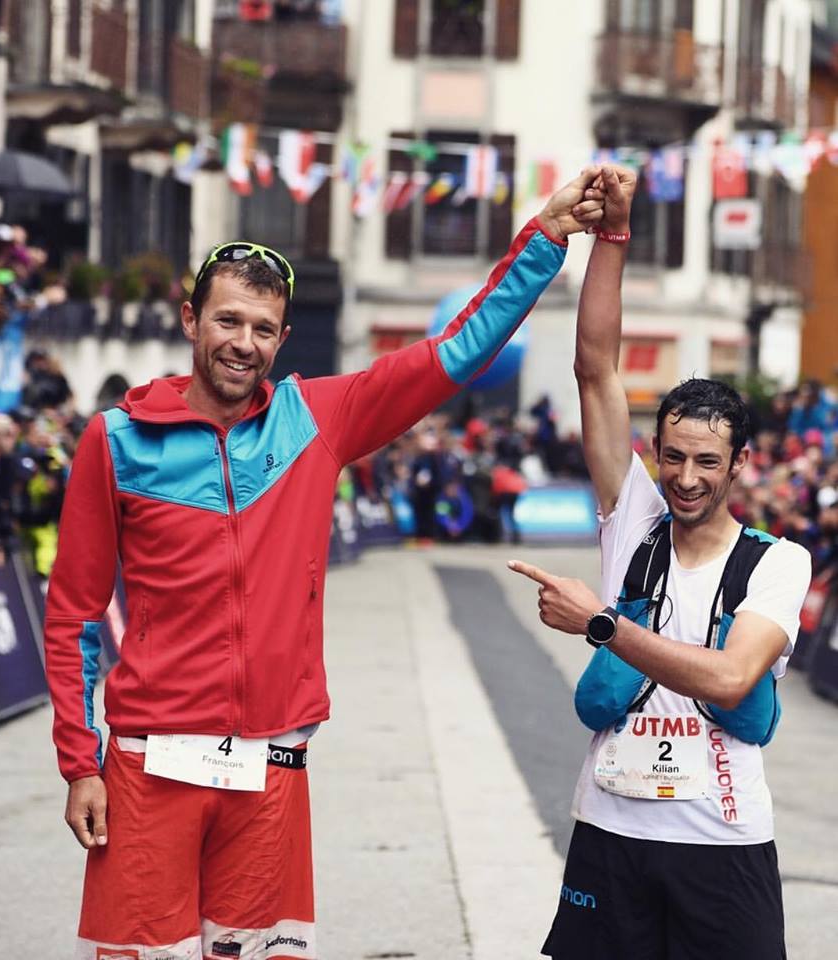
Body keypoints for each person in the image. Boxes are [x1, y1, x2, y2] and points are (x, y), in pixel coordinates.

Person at [44, 173, 605, 960]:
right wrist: (81, 764)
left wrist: (545, 235)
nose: (243, 343)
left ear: (281, 340)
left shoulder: (316, 419)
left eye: (262, 328)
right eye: (227, 320)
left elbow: (456, 352)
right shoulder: (116, 439)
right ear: (190, 319)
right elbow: (73, 612)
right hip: (147, 767)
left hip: (271, 767)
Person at [509, 165, 811, 960]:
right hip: (611, 830)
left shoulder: (777, 563)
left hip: (722, 842)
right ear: (654, 452)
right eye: (672, 456)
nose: (685, 478)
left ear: (738, 464)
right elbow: (594, 368)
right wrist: (612, 234)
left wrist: (601, 625)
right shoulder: (634, 524)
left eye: (706, 462)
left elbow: (728, 680)